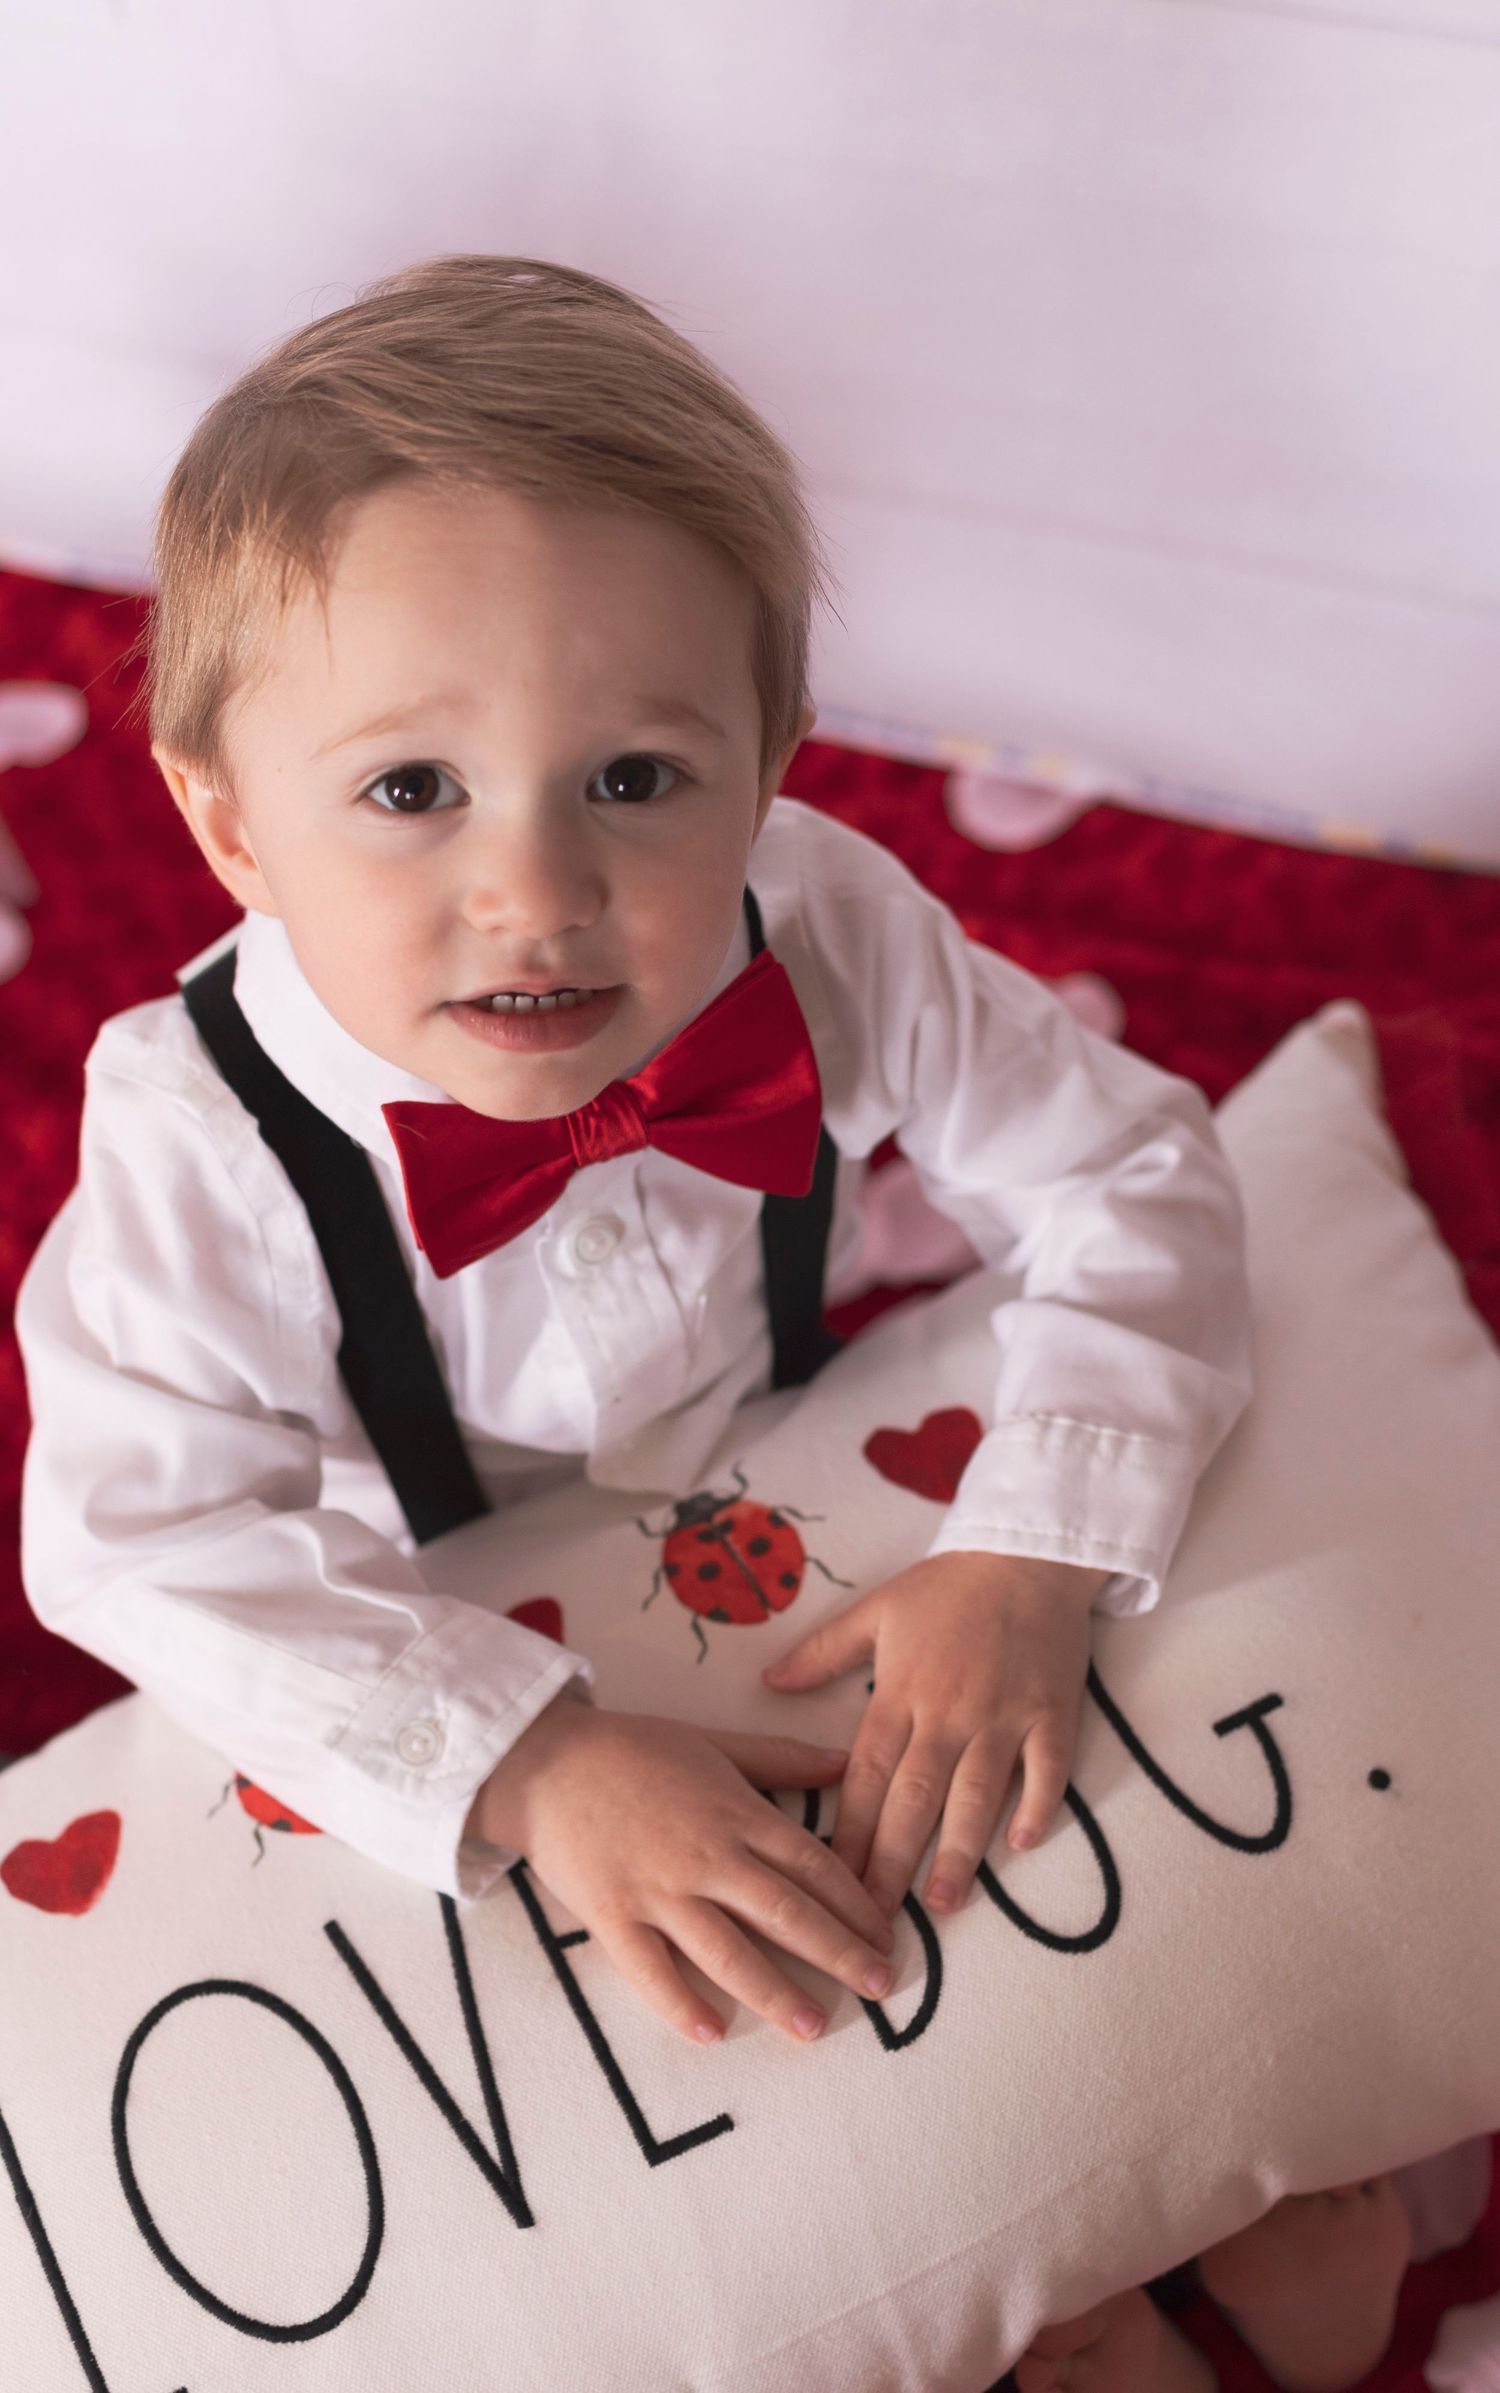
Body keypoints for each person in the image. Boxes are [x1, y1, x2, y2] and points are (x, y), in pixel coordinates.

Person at [13, 253, 1454, 2385]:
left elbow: (1135, 1175)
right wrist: (529, 1764)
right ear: (227, 824)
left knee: (1062, 1939)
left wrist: (1040, 1540)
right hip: (411, 1605)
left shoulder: (837, 924)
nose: (537, 890)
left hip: (795, 1501)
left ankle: (1240, 2250)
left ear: (774, 764)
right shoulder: (191, 1144)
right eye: (412, 793)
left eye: (636, 779)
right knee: (699, 2132)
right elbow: (135, 1540)